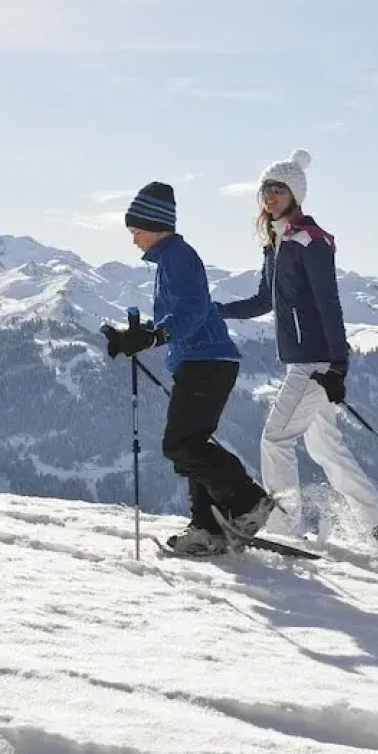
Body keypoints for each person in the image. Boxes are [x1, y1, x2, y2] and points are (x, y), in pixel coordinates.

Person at [216, 150, 378, 543]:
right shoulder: (276, 242)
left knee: (275, 438)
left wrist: (338, 365)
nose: (271, 195)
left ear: (295, 195)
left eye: (279, 189)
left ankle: (283, 527)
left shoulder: (309, 241)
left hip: (314, 361)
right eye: (266, 189)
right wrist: (218, 312)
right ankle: (376, 518)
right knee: (324, 445)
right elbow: (265, 301)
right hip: (303, 359)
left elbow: (328, 302)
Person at [103, 181, 274, 556]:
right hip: (205, 360)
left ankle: (247, 501)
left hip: (206, 361)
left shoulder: (177, 257)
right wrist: (134, 336)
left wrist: (156, 336)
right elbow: (177, 315)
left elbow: (193, 312)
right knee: (191, 443)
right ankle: (208, 525)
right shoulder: (170, 259)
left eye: (136, 231)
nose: (133, 240)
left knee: (181, 445)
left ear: (154, 225)